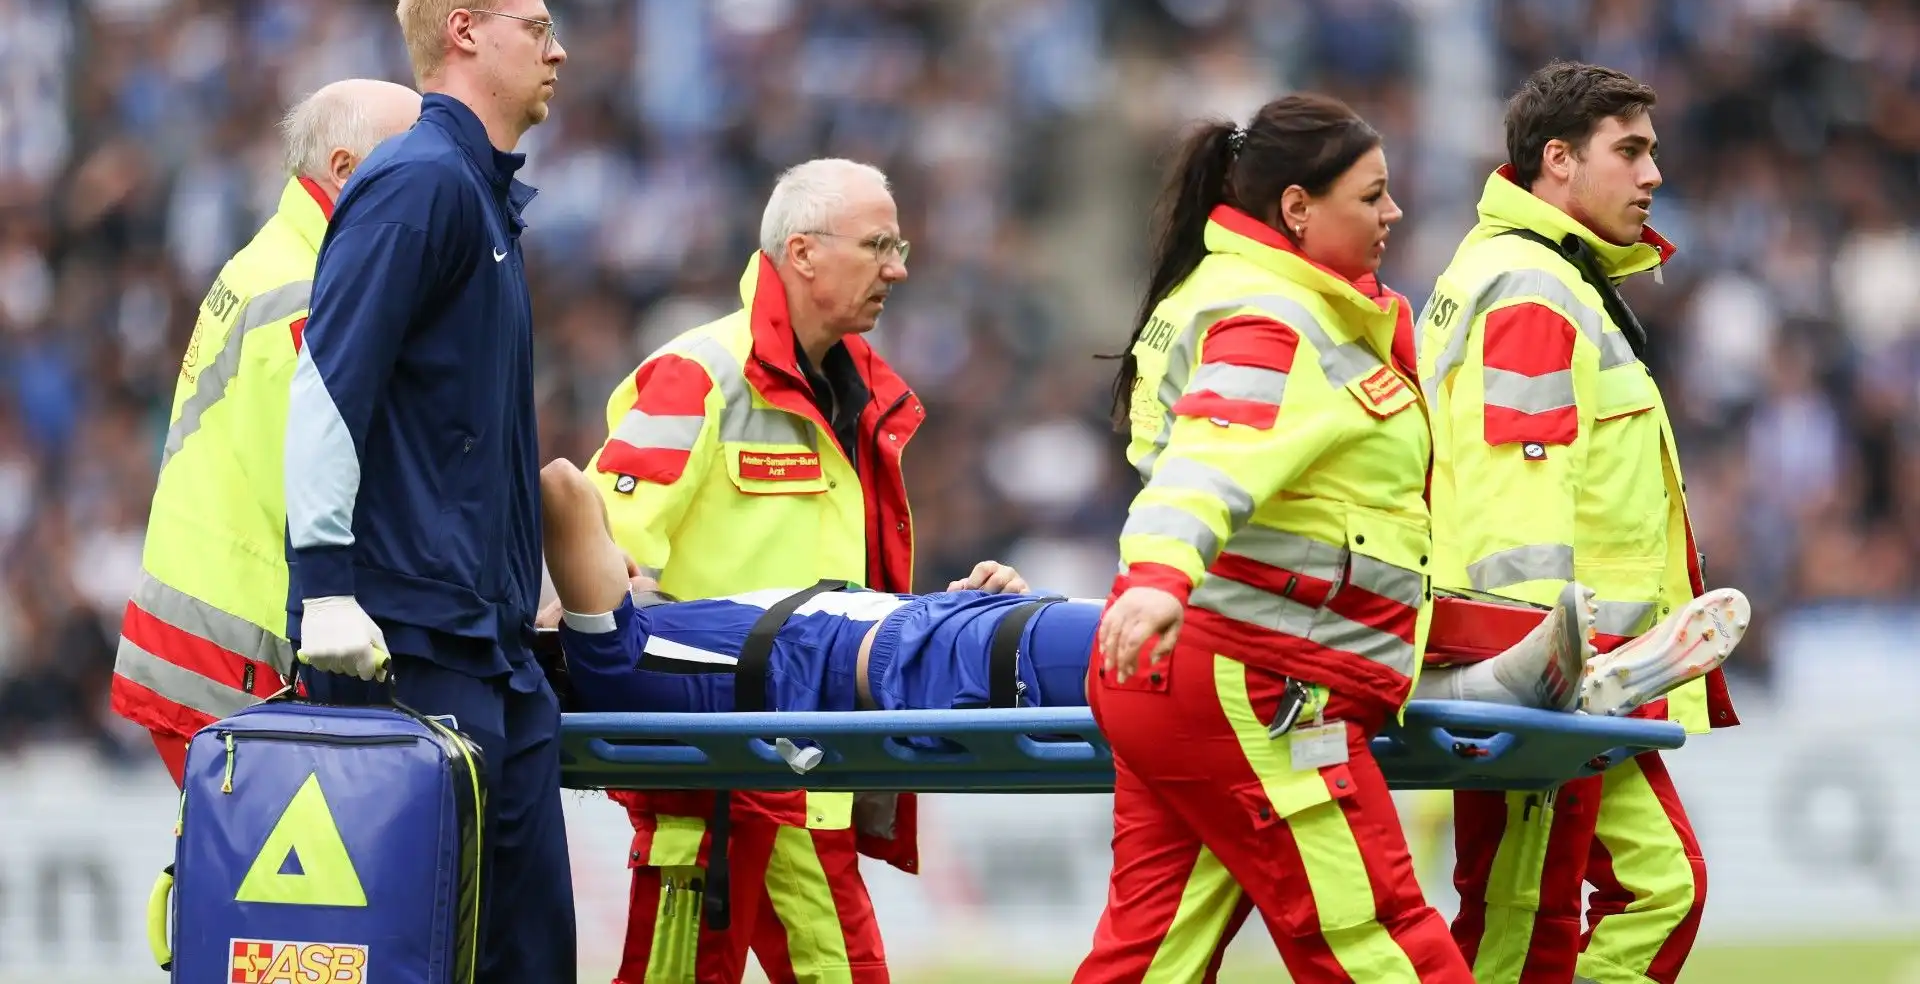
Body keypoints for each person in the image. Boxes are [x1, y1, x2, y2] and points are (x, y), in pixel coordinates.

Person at [581, 156, 1021, 984]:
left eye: (901, 245)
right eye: (879, 244)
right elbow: (606, 559)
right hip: (718, 771)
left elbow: (833, 596)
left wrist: (939, 616)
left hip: (804, 767)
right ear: (804, 252)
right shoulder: (699, 375)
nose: (898, 267)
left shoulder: (858, 396)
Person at [1071, 94, 1475, 984]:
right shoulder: (1278, 320)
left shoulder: (1243, 299)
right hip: (1258, 680)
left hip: (1191, 678)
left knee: (1150, 961)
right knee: (1379, 940)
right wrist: (1159, 579)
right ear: (1297, 209)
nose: (1392, 214)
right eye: (1371, 196)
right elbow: (1209, 461)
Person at [535, 455, 1747, 727]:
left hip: (959, 638)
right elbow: (560, 485)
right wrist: (529, 592)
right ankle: (1499, 678)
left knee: (1252, 629)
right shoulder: (610, 651)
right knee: (1242, 633)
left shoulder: (659, 630)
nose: (634, 561)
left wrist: (957, 594)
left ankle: (1515, 674)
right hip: (961, 667)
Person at [281, 0, 572, 984]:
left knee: (521, 952)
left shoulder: (479, 196)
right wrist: (322, 587)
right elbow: (328, 386)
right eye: (536, 27)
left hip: (483, 641)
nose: (560, 50)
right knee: (419, 956)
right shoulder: (420, 184)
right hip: (411, 643)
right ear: (465, 34)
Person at [1418, 61, 1741, 984]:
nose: (1654, 176)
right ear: (1557, 161)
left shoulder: (1535, 275)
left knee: (1607, 899)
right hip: (1551, 673)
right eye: (1630, 151)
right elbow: (1508, 498)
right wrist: (1535, 675)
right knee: (1528, 918)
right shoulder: (1531, 288)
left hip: (1574, 668)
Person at [110, 78, 421, 787]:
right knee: (274, 887)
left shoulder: (279, 260)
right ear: (345, 169)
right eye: (411, 161)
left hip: (201, 636)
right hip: (233, 656)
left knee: (235, 883)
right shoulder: (314, 291)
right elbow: (324, 477)